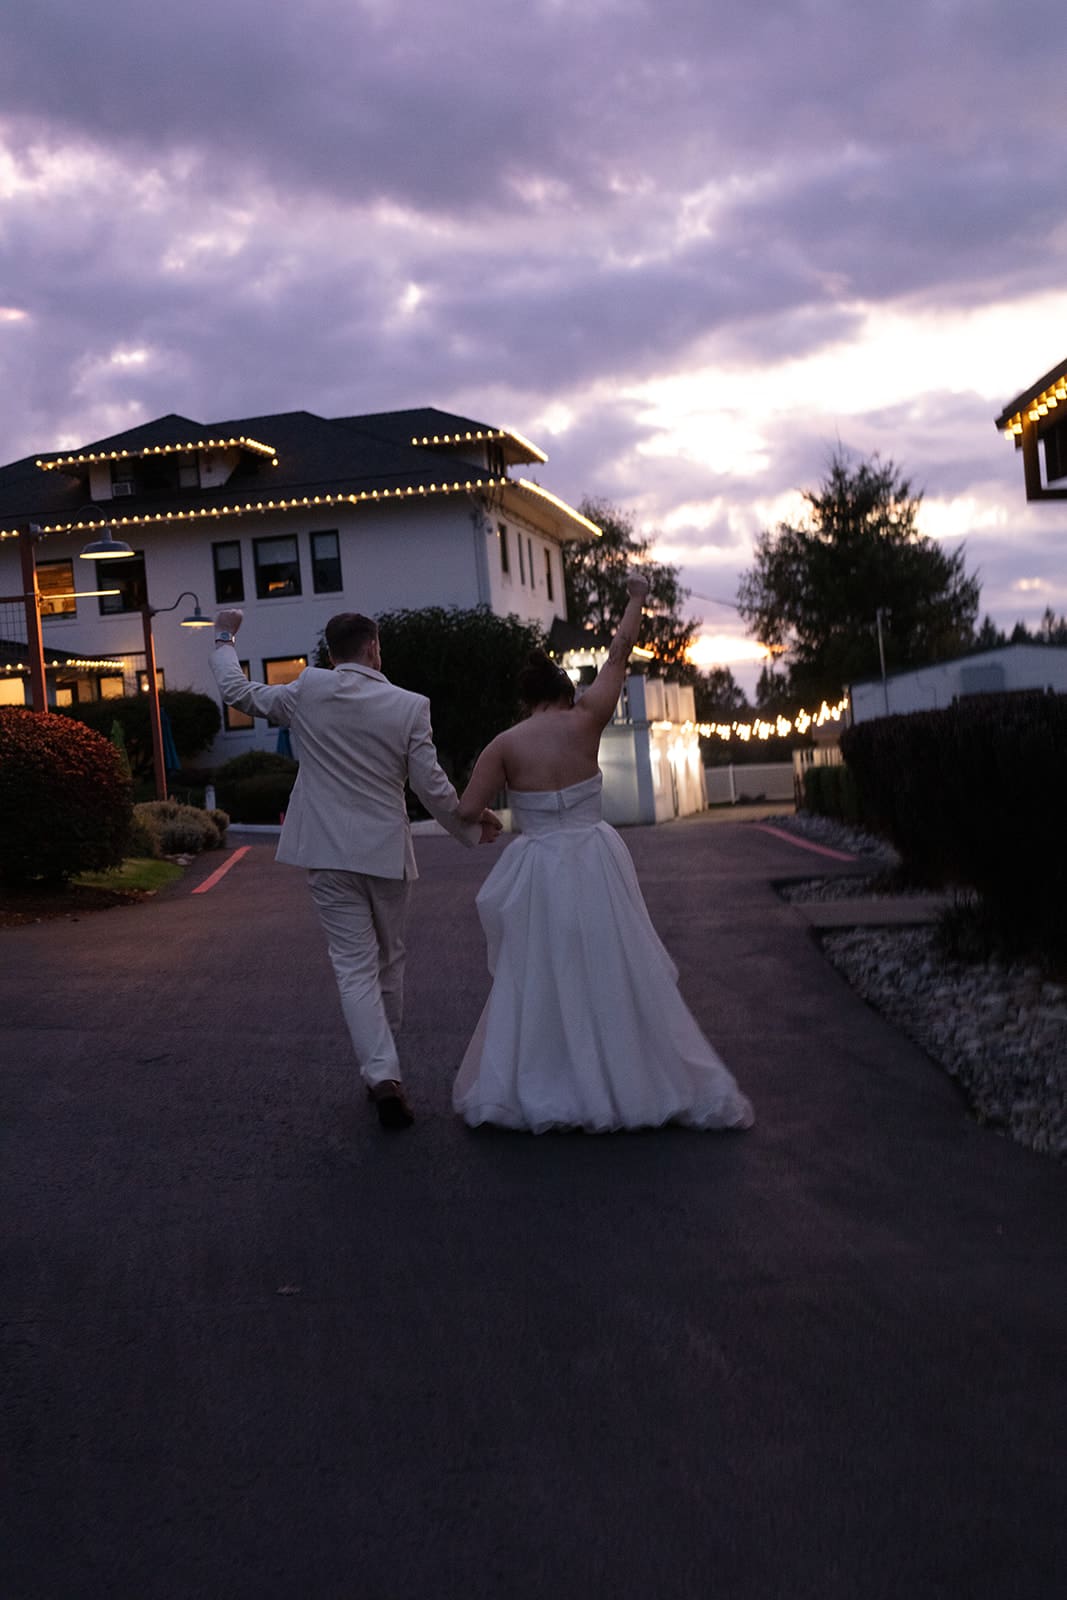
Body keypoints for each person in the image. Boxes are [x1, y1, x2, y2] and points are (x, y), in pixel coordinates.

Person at [450, 574, 754, 1134]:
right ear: (566, 691)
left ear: (525, 698)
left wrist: (491, 817)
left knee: (543, 972)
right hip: (595, 857)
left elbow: (465, 810)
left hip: (540, 866)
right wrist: (635, 596)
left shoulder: (504, 745)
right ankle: (631, 1076)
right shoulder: (588, 719)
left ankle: (553, 1077)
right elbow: (618, 653)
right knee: (613, 965)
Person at [209, 608, 501, 1130]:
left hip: (323, 850)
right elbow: (430, 787)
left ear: (330, 653)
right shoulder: (410, 707)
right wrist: (471, 825)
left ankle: (382, 1072)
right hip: (385, 853)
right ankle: (383, 1070)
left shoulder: (308, 689)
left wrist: (223, 637)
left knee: (352, 965)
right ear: (373, 648)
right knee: (389, 961)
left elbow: (240, 693)